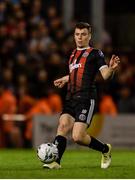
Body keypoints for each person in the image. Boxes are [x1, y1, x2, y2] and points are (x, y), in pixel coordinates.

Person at [43, 22, 120, 169]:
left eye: (83, 34)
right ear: (74, 36)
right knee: (63, 126)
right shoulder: (72, 54)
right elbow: (76, 73)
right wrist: (66, 79)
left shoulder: (95, 53)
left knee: (77, 137)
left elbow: (105, 75)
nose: (80, 37)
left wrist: (111, 69)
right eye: (77, 34)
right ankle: (55, 162)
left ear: (89, 36)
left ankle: (105, 149)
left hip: (86, 98)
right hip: (70, 97)